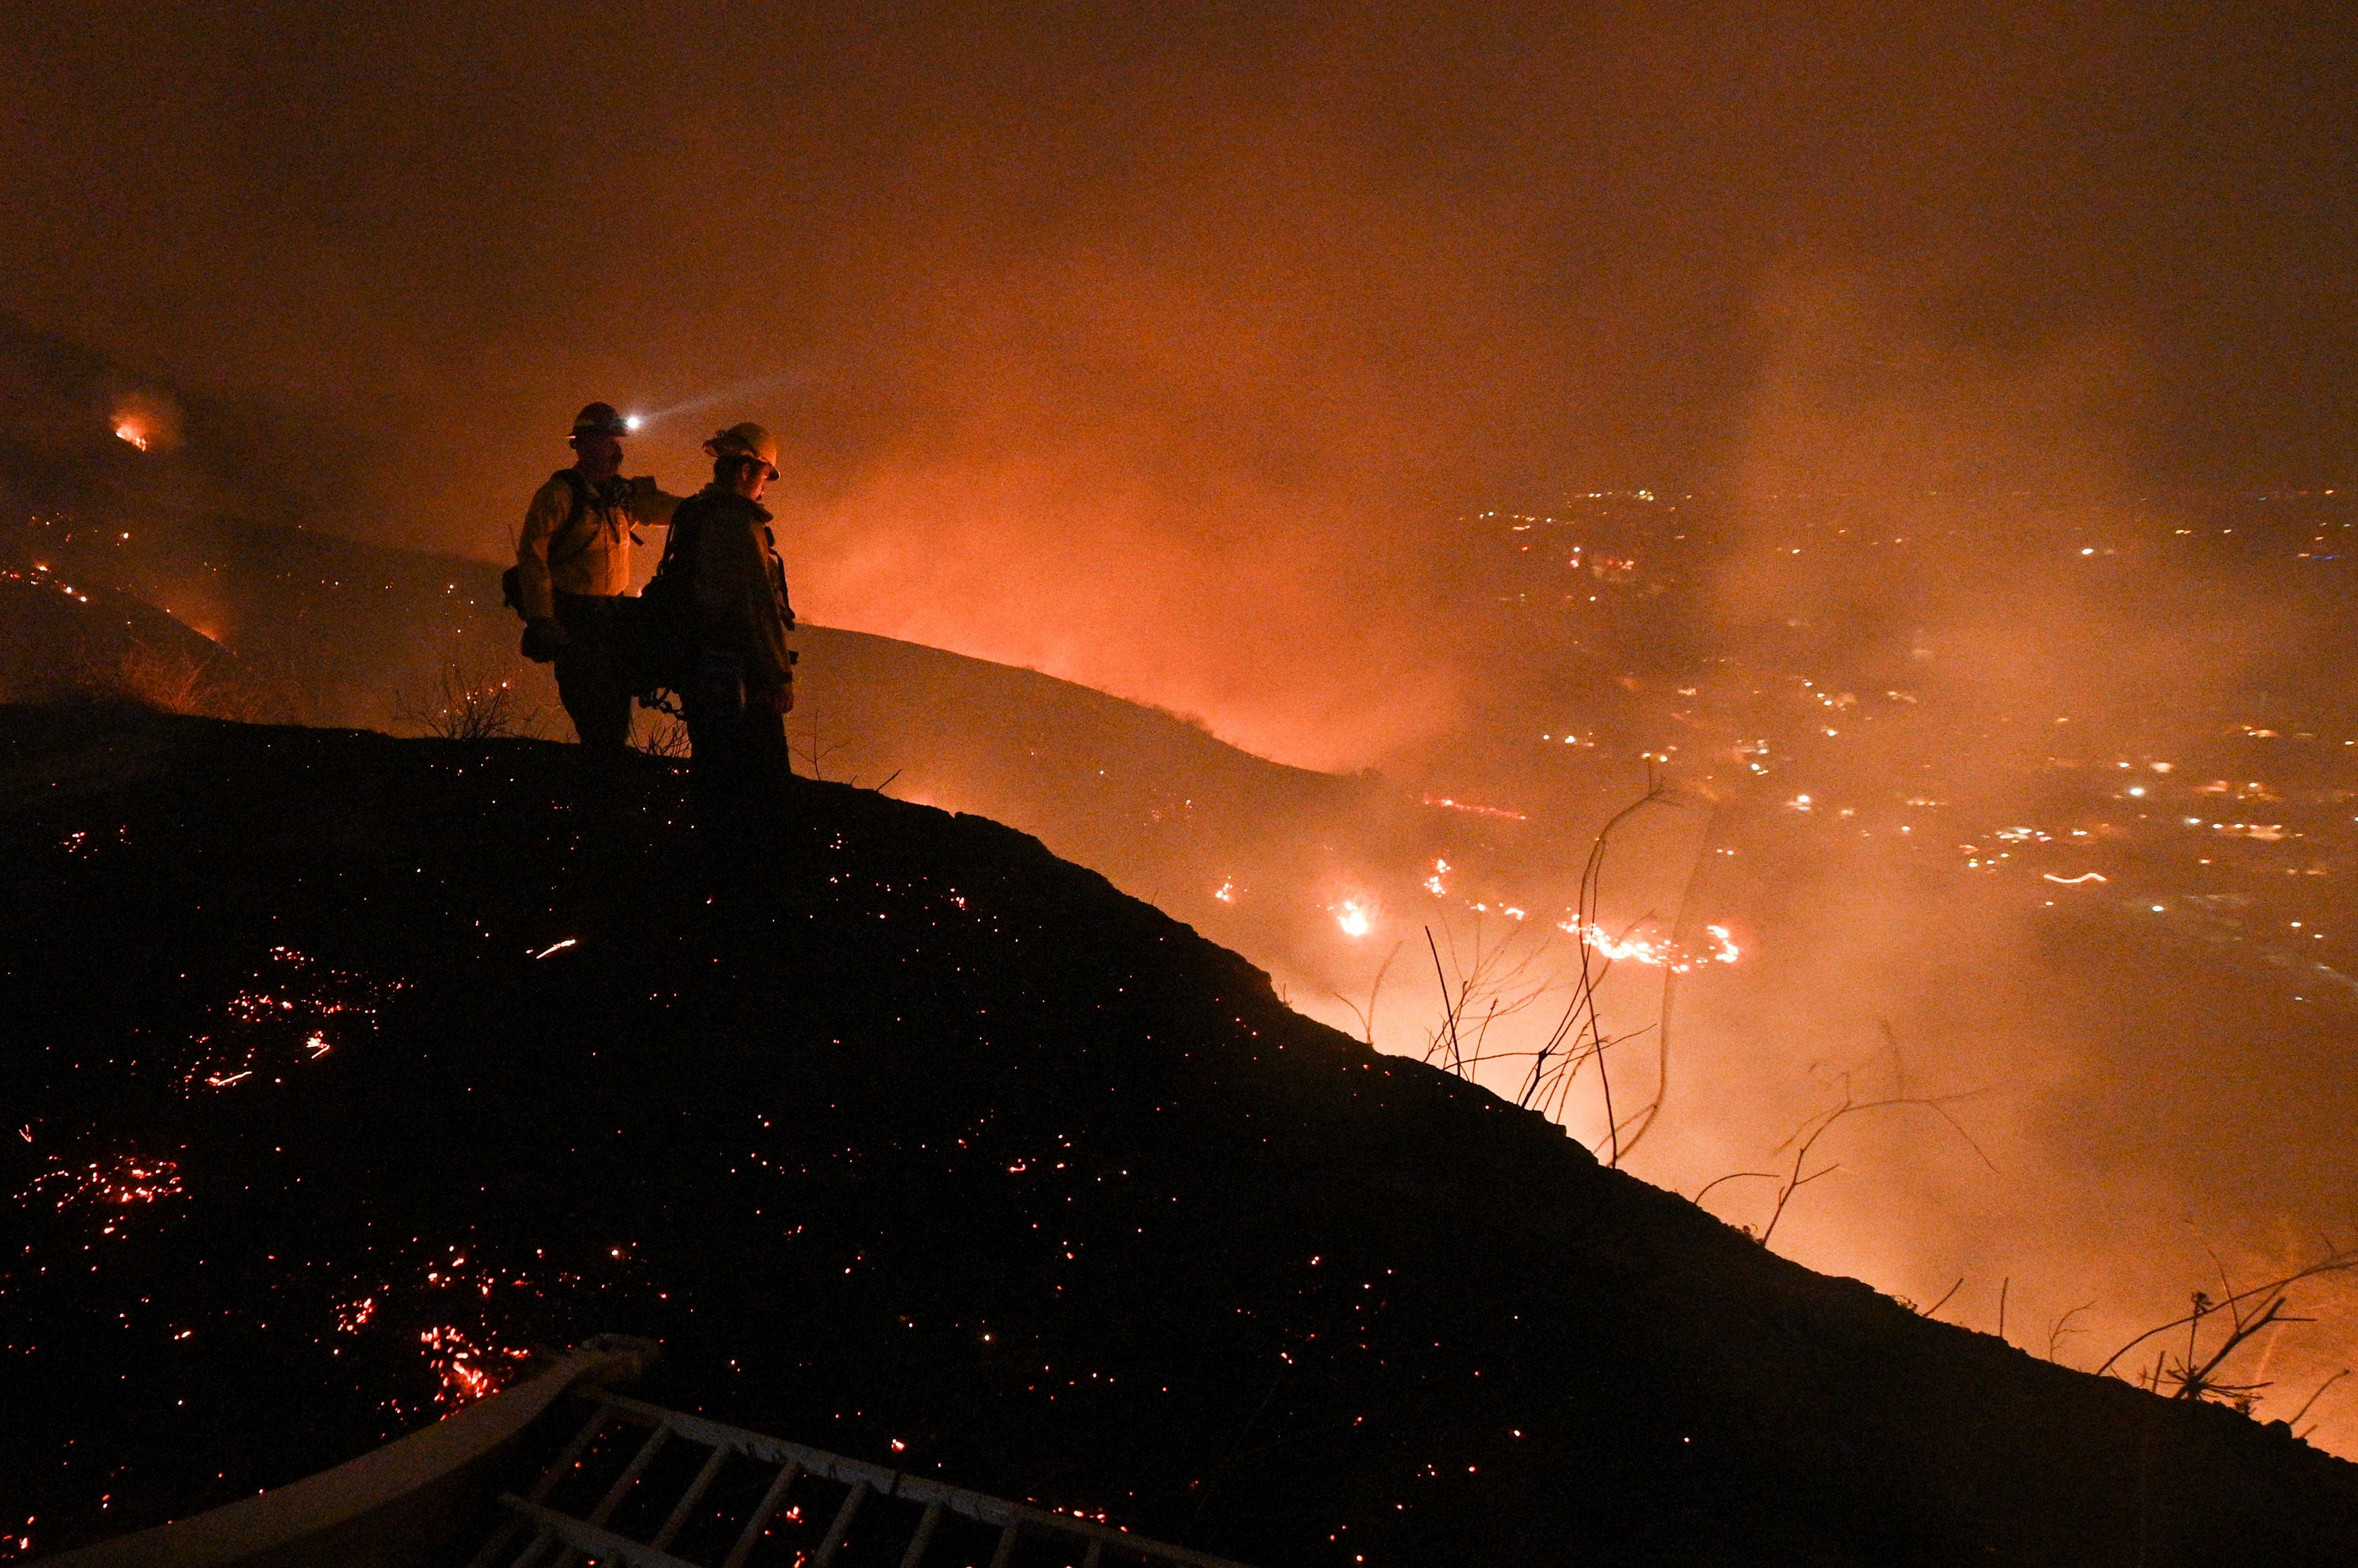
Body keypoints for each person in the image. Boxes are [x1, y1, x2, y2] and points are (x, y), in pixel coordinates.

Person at [653, 422, 796, 848]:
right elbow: (757, 607)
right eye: (766, 475)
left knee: (715, 781)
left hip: (702, 675)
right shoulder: (737, 525)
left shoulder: (697, 514)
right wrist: (779, 676)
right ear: (748, 470)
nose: (765, 487)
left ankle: (711, 875)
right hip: (740, 681)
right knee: (763, 791)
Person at [513, 402, 682, 751]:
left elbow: (668, 509)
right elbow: (533, 557)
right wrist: (543, 619)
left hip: (614, 621)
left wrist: (708, 509)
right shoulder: (559, 496)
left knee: (615, 714)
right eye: (608, 440)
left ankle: (607, 773)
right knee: (596, 714)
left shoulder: (622, 497)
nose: (617, 448)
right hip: (576, 622)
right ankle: (601, 781)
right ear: (583, 444)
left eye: (616, 441)